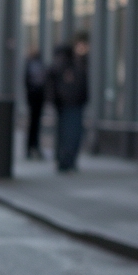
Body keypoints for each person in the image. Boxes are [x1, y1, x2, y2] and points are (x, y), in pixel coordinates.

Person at [47, 33, 89, 172]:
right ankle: (66, 161)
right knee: (71, 133)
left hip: (65, 104)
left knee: (64, 133)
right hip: (71, 104)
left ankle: (63, 160)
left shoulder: (58, 65)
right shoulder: (71, 65)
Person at [24, 50, 46, 158]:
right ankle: (32, 147)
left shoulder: (34, 65)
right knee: (34, 124)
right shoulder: (34, 65)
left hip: (36, 99)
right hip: (35, 99)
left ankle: (32, 147)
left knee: (34, 124)